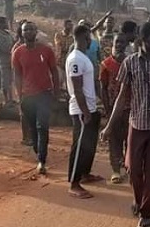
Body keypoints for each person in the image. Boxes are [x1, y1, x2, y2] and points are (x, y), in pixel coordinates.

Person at [106, 22, 150, 227]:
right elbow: (121, 96)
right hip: (136, 123)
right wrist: (109, 125)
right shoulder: (129, 63)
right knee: (132, 167)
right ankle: (138, 200)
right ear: (144, 39)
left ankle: (147, 212)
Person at [12, 21, 60, 175]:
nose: (29, 32)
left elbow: (54, 71)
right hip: (27, 96)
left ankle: (42, 160)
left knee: (42, 126)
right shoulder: (17, 52)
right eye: (26, 30)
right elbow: (17, 75)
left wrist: (57, 91)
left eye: (32, 29)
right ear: (22, 33)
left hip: (44, 93)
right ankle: (38, 151)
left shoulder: (46, 50)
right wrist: (19, 95)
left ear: (36, 32)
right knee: (33, 128)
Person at [66, 25, 102, 199]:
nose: (91, 41)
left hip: (90, 107)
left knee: (89, 145)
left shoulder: (83, 57)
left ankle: (85, 174)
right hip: (81, 109)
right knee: (79, 146)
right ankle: (74, 183)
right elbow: (77, 89)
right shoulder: (75, 59)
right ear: (83, 38)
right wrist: (85, 112)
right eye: (89, 38)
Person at [99, 34, 130, 184]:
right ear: (113, 43)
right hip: (113, 108)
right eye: (117, 41)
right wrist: (107, 108)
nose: (119, 45)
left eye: (122, 42)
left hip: (130, 108)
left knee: (130, 140)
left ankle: (130, 166)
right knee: (114, 140)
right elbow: (103, 88)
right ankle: (116, 170)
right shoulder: (106, 64)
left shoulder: (131, 63)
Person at [0, 17, 14, 103]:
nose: (7, 24)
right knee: (5, 81)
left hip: (10, 60)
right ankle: (7, 100)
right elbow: (6, 49)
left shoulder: (6, 33)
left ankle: (11, 98)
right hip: (4, 61)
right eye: (6, 22)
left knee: (10, 80)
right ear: (1, 24)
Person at [54, 20, 74, 88]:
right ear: (65, 26)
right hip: (60, 62)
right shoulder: (58, 35)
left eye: (71, 25)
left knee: (69, 82)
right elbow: (59, 47)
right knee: (59, 81)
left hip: (69, 62)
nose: (71, 27)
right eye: (69, 25)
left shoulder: (73, 37)